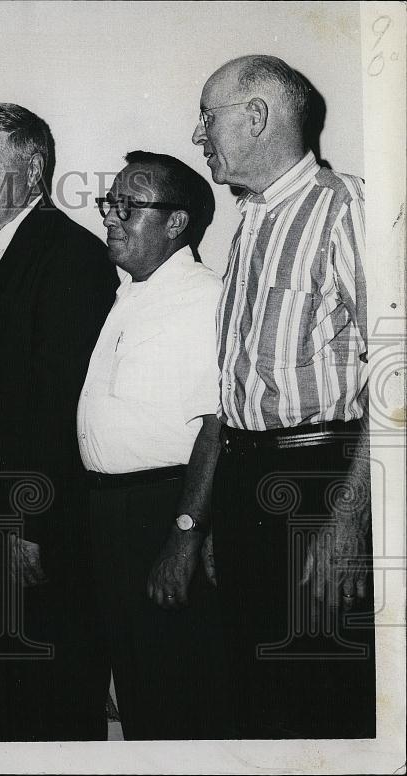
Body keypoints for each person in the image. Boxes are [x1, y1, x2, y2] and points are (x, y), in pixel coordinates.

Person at [192, 54, 375, 738]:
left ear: (258, 115)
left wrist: (351, 521)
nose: (198, 134)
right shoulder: (250, 224)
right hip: (248, 484)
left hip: (319, 483)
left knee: (324, 697)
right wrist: (220, 516)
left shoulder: (348, 209)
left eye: (208, 116)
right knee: (257, 698)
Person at [0, 102, 117, 741]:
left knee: (52, 707)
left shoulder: (72, 255)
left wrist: (24, 522)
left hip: (30, 529)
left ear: (34, 168)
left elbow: (56, 404)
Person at [79, 150, 235, 739]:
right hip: (113, 516)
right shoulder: (130, 294)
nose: (111, 217)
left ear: (177, 222)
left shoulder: (203, 298)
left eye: (129, 205)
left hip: (162, 513)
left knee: (181, 700)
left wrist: (184, 536)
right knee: (141, 694)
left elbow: (216, 425)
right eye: (110, 203)